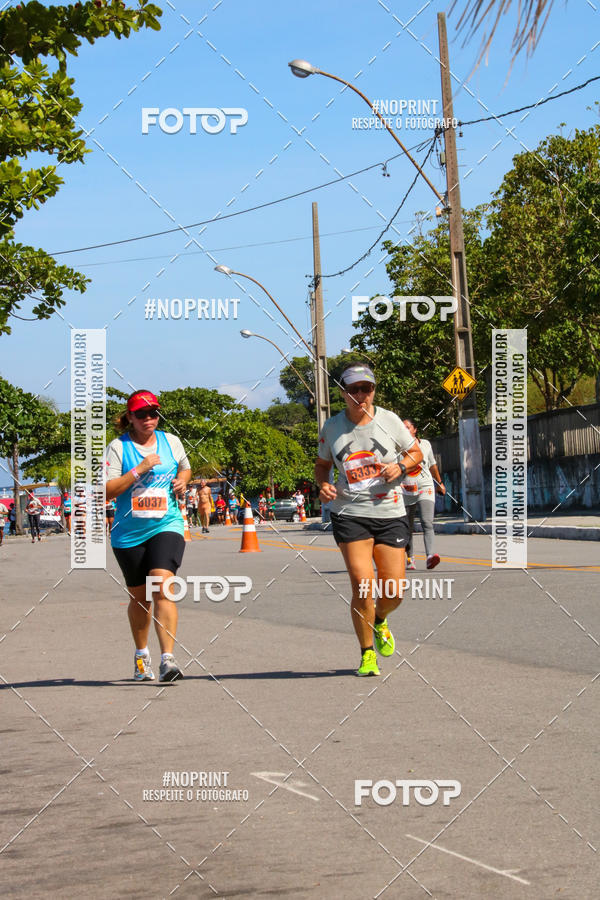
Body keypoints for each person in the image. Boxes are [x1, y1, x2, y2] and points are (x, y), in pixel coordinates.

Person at [315, 365, 423, 677]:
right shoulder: (332, 427)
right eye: (354, 389)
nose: (361, 395)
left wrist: (400, 467)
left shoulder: (389, 420)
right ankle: (366, 655)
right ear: (342, 392)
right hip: (349, 513)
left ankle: (379, 619)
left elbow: (415, 453)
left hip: (389, 512)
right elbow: (322, 465)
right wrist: (323, 485)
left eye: (367, 388)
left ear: (374, 390)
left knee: (394, 590)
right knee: (363, 585)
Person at [105, 389, 192, 683]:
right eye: (141, 414)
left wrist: (182, 481)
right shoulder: (118, 447)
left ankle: (168, 659)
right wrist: (139, 469)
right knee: (140, 599)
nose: (148, 419)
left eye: (153, 413)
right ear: (130, 417)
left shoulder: (171, 442)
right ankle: (142, 655)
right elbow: (107, 490)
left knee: (162, 584)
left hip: (166, 524)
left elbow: (185, 467)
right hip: (128, 534)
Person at [402, 419, 446, 570]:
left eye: (407, 427)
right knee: (407, 526)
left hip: (425, 487)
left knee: (427, 522)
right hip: (405, 489)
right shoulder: (397, 447)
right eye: (402, 428)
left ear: (415, 429)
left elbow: (432, 465)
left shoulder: (425, 444)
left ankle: (429, 556)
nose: (404, 429)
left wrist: (440, 483)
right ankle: (410, 558)